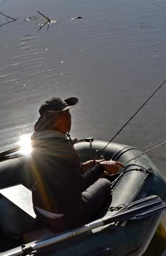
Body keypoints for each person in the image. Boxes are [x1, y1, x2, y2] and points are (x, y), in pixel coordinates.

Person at [29, 96, 124, 233]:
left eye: (68, 113)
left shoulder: (37, 142)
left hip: (39, 209)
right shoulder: (61, 148)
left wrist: (87, 165)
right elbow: (77, 186)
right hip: (64, 218)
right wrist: (101, 167)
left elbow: (59, 174)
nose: (69, 118)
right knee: (104, 184)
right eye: (63, 115)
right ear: (51, 121)